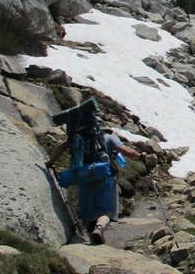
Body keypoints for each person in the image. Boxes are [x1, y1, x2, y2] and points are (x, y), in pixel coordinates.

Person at [46, 99, 145, 245]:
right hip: (104, 175)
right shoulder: (108, 137)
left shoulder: (76, 138)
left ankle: (90, 233)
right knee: (106, 210)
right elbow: (127, 151)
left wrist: (49, 162)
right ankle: (99, 229)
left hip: (83, 176)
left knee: (88, 209)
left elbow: (60, 148)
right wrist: (141, 156)